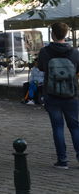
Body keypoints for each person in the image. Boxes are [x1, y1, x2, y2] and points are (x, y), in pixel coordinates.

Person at [37, 22, 79, 169]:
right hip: (71, 95)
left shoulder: (45, 52)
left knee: (58, 128)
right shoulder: (75, 52)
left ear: (52, 34)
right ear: (66, 34)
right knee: (75, 127)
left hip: (52, 94)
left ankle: (62, 161)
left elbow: (41, 67)